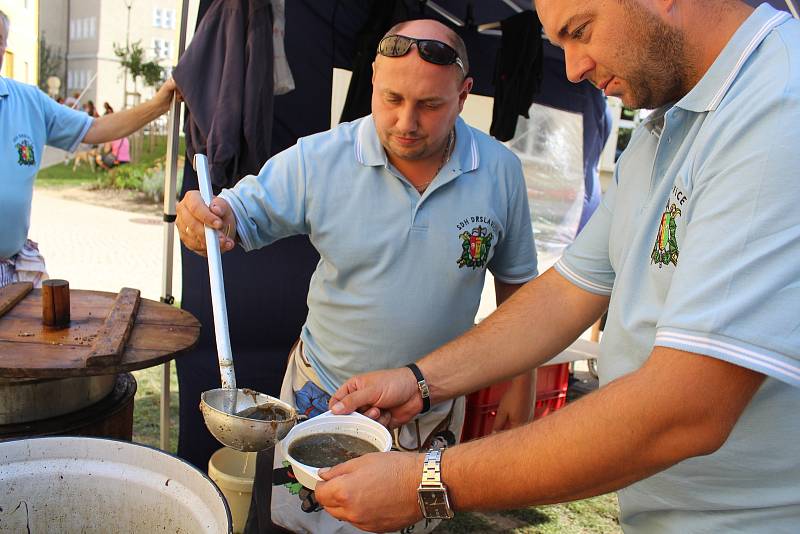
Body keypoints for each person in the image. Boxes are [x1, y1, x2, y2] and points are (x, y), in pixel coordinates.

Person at [315, 1, 800, 533]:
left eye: (581, 31)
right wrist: (420, 381)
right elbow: (568, 292)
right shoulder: (668, 122)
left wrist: (428, 482)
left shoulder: (778, 106)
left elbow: (687, 410)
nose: (572, 70)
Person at [176, 18, 538, 533]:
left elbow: (519, 289)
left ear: (463, 95)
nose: (405, 121)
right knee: (303, 522)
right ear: (371, 80)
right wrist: (206, 219)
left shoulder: (500, 171)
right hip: (322, 396)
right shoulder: (322, 158)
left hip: (430, 407)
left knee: (410, 524)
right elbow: (236, 211)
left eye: (430, 105)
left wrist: (520, 383)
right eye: (391, 98)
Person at [0, 9, 179, 288]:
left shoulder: (29, 101)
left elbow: (95, 130)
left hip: (11, 272)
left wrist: (158, 105)